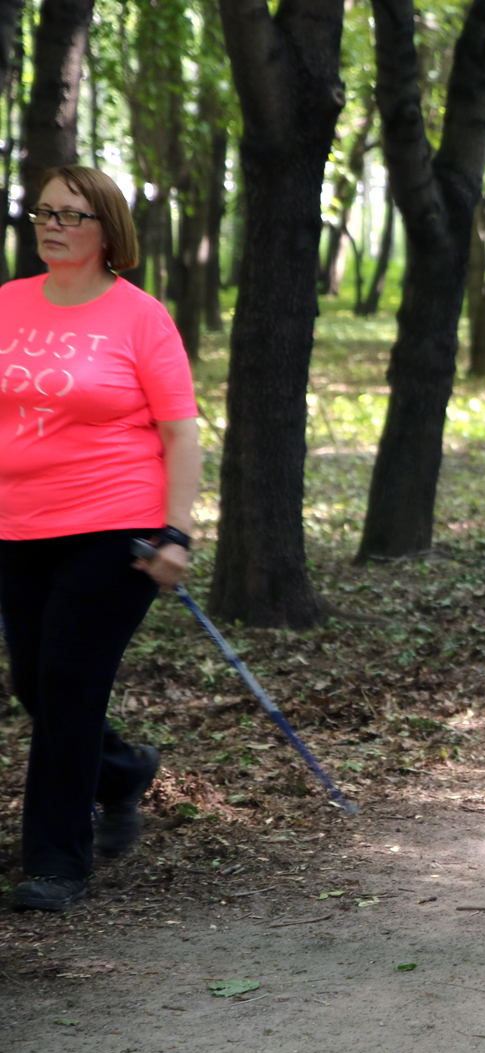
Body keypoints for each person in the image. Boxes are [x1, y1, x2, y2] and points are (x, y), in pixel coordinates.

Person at [3, 166, 200, 912]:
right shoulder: (7, 305)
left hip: (113, 525)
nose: (52, 225)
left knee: (67, 686)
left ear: (107, 229)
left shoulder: (140, 317)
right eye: (43, 212)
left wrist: (176, 531)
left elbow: (180, 433)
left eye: (71, 214)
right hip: (16, 526)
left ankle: (56, 861)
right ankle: (121, 770)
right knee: (34, 683)